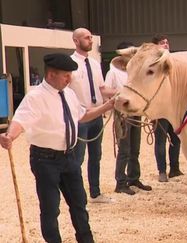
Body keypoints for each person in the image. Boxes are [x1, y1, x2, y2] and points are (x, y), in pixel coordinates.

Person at [0, 53, 115, 243]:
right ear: (51, 75)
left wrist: (108, 106)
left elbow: (82, 115)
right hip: (45, 159)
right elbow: (20, 120)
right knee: (51, 208)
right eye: (66, 75)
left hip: (70, 157)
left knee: (79, 203)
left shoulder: (69, 93)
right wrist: (10, 136)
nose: (70, 79)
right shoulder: (35, 97)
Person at [69, 28, 117, 203]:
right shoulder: (70, 64)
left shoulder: (95, 64)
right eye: (87, 38)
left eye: (91, 37)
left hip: (97, 114)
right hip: (80, 118)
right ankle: (75, 194)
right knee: (78, 157)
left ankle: (95, 193)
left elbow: (103, 89)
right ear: (76, 41)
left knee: (96, 156)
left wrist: (120, 93)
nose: (90, 40)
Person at [105, 41, 152, 195]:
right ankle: (120, 182)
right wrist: (121, 95)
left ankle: (134, 178)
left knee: (135, 149)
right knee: (124, 149)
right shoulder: (113, 72)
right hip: (122, 113)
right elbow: (105, 90)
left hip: (136, 112)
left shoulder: (135, 72)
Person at [151, 34, 183, 182]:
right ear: (156, 46)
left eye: (167, 42)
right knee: (160, 140)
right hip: (159, 108)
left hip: (174, 107)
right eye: (162, 42)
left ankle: (175, 169)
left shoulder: (174, 61)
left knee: (176, 139)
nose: (166, 44)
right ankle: (162, 171)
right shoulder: (152, 63)